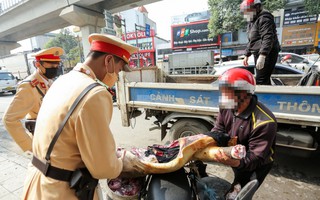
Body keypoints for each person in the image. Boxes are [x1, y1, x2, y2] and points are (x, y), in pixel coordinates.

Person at [22, 33, 138, 200]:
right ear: (108, 61)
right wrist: (123, 162)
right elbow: (102, 168)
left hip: (38, 182)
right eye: (119, 70)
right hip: (62, 191)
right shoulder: (94, 93)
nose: (117, 77)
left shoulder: (62, 80)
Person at [211, 68, 277, 195]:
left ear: (243, 94)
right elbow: (218, 130)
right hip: (237, 155)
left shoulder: (264, 122)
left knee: (240, 193)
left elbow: (254, 158)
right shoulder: (227, 106)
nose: (223, 96)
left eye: (227, 91)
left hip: (256, 166)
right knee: (236, 182)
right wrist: (204, 142)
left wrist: (233, 162)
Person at [2, 47, 64, 152]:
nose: (55, 67)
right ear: (37, 64)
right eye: (50, 64)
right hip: (42, 141)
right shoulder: (29, 86)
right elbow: (9, 119)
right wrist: (30, 147)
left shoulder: (49, 82)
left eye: (57, 63)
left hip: (54, 137)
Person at [241, 0, 280, 85]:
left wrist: (263, 55)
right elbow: (252, 40)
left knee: (261, 81)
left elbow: (268, 37)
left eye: (248, 11)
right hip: (259, 53)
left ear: (257, 8)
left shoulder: (264, 18)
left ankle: (264, 98)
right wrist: (246, 55)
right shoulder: (252, 21)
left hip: (268, 54)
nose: (246, 14)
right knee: (262, 79)